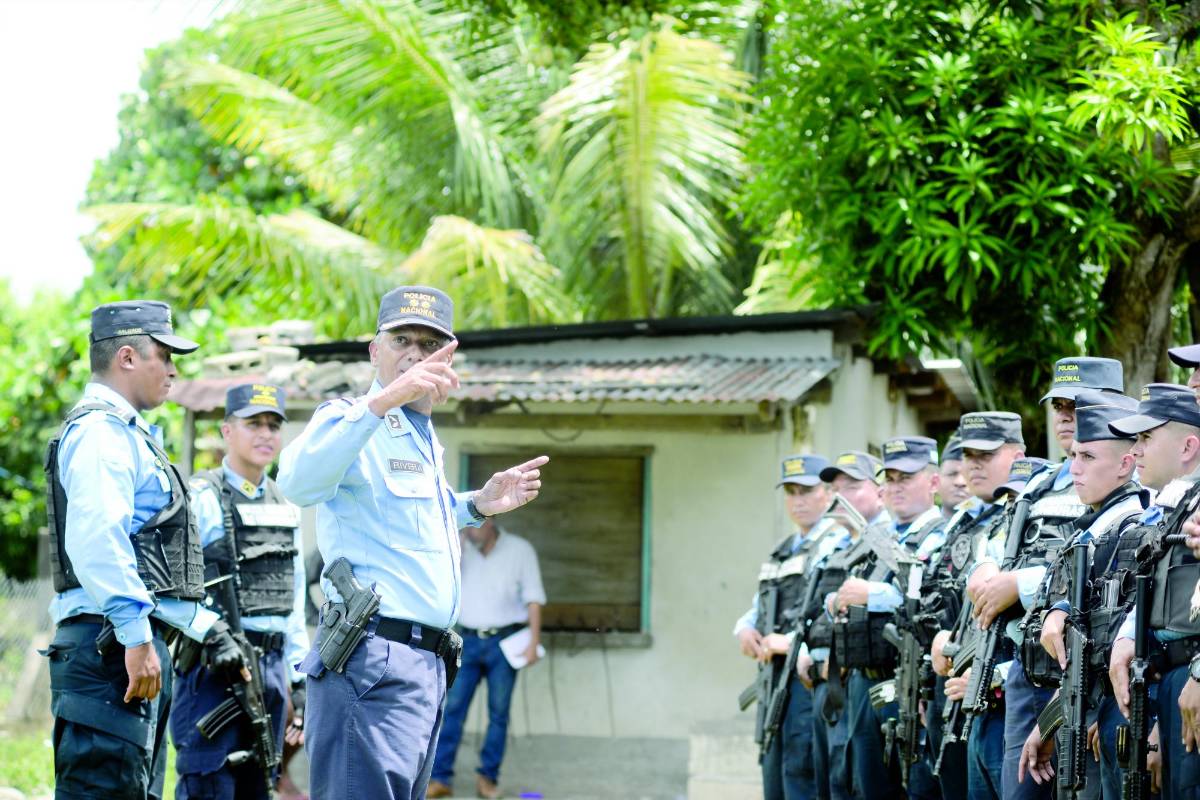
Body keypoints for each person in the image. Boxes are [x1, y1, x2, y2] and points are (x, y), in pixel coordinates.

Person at [277, 285, 549, 800]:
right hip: (371, 660)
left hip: (425, 664)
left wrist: (478, 504)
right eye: (401, 340)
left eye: (430, 345)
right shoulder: (353, 417)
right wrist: (383, 401)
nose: (414, 355)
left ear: (448, 360)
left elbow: (407, 522)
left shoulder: (421, 436)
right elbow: (297, 483)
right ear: (374, 351)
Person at [43, 300, 245, 800]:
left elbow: (149, 560)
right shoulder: (100, 433)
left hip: (127, 646)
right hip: (110, 649)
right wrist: (135, 637)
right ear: (128, 357)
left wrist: (199, 627)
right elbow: (97, 540)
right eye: (165, 355)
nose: (173, 370)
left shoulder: (127, 434)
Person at [968, 356, 1123, 800]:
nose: (1066, 416)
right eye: (1059, 407)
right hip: (1029, 668)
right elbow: (997, 545)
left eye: (1077, 404)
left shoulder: (1121, 477)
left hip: (1084, 668)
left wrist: (1019, 585)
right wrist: (985, 569)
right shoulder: (1037, 486)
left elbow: (1105, 567)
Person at [170, 383, 310, 799]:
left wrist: (299, 679)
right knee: (208, 784)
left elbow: (293, 601)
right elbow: (176, 586)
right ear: (227, 431)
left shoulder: (286, 504)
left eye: (273, 425)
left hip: (271, 670)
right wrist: (214, 636)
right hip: (216, 667)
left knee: (259, 786)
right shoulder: (203, 497)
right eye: (254, 424)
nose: (266, 434)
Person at [1017, 392, 1147, 798]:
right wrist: (1049, 722)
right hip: (1087, 711)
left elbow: (1115, 646)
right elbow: (1082, 649)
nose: (1074, 468)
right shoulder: (1093, 531)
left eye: (1088, 457)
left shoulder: (1132, 529)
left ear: (1125, 464)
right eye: (1074, 455)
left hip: (1118, 713)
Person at [830, 437, 946, 800]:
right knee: (870, 787)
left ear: (933, 481)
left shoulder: (940, 536)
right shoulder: (875, 539)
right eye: (890, 479)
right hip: (864, 680)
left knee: (918, 786)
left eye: (906, 478)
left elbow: (930, 599)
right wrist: (838, 600)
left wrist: (871, 594)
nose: (895, 487)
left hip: (909, 679)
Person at [1105, 383, 1200, 800]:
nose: (1136, 449)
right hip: (1170, 683)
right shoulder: (1173, 508)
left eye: (1146, 437)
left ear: (1188, 447)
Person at [928, 411, 1025, 800]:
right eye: (968, 455)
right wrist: (939, 637)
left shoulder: (1027, 515)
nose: (974, 465)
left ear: (1017, 455)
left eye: (986, 454)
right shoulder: (960, 522)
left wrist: (993, 677)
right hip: (960, 692)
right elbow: (940, 596)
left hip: (1008, 697)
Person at [734, 454, 841, 800]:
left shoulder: (837, 543)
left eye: (806, 491)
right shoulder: (782, 551)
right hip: (773, 681)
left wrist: (791, 642)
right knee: (774, 774)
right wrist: (744, 629)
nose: (798, 500)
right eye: (791, 492)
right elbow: (760, 605)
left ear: (828, 493)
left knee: (801, 774)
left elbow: (831, 615)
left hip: (805, 678)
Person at [429, 518, 546, 799]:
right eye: (466, 526)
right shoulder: (461, 550)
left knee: (498, 714)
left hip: (504, 642)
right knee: (453, 710)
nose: (469, 531)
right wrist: (457, 550)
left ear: (490, 521)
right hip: (467, 640)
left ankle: (487, 778)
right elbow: (445, 586)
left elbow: (534, 599)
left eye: (475, 525)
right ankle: (441, 778)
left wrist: (534, 642)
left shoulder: (520, 549)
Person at [939, 435, 970, 521]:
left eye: (968, 474)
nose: (960, 482)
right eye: (951, 474)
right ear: (936, 481)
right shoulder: (920, 527)